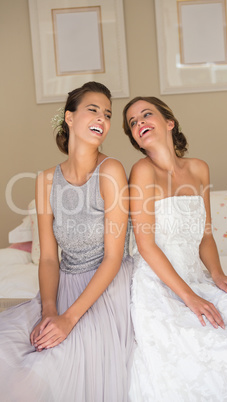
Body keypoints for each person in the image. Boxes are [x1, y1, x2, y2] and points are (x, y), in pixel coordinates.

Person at [123, 96, 227, 401]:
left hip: (196, 277)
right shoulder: (142, 171)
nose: (139, 124)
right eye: (133, 123)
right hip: (159, 283)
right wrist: (190, 298)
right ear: (135, 138)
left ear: (169, 122)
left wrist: (217, 275)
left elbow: (205, 235)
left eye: (146, 115)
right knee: (212, 349)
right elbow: (146, 246)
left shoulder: (199, 168)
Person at [0, 82, 134, 402]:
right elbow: (48, 258)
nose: (102, 117)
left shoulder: (111, 170)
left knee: (46, 372)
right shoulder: (46, 180)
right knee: (9, 353)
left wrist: (68, 319)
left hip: (107, 286)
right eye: (93, 109)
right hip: (60, 288)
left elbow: (113, 258)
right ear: (69, 118)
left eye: (108, 114)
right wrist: (49, 310)